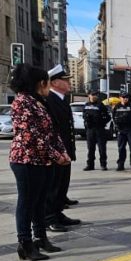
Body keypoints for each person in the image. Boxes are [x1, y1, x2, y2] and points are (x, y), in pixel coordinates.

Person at [8, 63, 71, 261]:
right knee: (27, 203)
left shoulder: (38, 101)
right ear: (40, 83)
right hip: (26, 160)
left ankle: (41, 238)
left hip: (42, 161)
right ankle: (25, 243)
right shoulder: (22, 102)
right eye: (46, 83)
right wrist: (56, 155)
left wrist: (62, 152)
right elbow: (32, 136)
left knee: (39, 202)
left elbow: (52, 132)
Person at [44, 66, 79, 232]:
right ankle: (49, 217)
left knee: (62, 186)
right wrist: (58, 151)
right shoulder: (49, 100)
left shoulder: (62, 99)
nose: (69, 82)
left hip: (65, 151)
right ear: (55, 82)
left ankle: (58, 213)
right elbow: (52, 130)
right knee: (53, 187)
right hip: (57, 152)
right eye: (66, 80)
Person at [82, 91, 111, 171]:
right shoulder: (86, 105)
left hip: (99, 130)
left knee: (102, 148)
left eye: (95, 95)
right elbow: (84, 115)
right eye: (92, 95)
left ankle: (103, 165)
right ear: (89, 96)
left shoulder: (101, 105)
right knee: (90, 148)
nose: (94, 97)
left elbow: (108, 117)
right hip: (90, 129)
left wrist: (101, 122)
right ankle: (90, 165)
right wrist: (86, 119)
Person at [113, 92, 131, 171]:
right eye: (124, 97)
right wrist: (118, 125)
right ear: (120, 97)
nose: (125, 98)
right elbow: (114, 117)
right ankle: (120, 164)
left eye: (127, 97)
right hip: (121, 130)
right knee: (121, 148)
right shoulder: (116, 107)